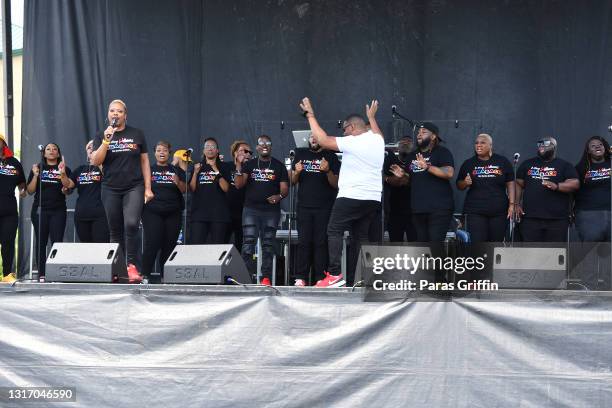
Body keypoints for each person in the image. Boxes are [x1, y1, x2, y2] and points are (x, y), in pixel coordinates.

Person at [300, 97, 384, 287]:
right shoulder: (377, 140)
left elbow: (322, 139)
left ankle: (335, 274)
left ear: (352, 128)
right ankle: (364, 277)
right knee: (361, 236)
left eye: (344, 129)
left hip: (352, 195)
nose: (343, 133)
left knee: (334, 230)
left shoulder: (354, 142)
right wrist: (371, 118)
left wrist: (310, 115)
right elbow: (377, 131)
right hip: (372, 198)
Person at [91, 99, 153, 282]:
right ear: (108, 115)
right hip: (110, 187)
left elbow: (144, 161)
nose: (115, 114)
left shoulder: (137, 134)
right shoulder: (102, 135)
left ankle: (131, 266)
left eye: (119, 111)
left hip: (134, 186)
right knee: (115, 229)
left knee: (132, 224)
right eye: (112, 111)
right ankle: (116, 267)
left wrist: (148, 188)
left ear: (125, 115)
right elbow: (96, 161)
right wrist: (105, 141)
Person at [234, 134, 289, 286]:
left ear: (271, 147)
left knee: (268, 245)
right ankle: (245, 276)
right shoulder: (250, 164)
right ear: (257, 147)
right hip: (251, 210)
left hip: (270, 211)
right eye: (261, 143)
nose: (264, 145)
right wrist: (239, 165)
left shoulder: (278, 166)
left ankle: (265, 278)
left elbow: (285, 189)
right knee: (248, 243)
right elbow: (239, 184)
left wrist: (278, 196)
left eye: (268, 143)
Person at [390, 122, 455, 242]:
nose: (419, 135)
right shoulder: (412, 156)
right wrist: (402, 175)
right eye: (418, 133)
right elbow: (409, 180)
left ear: (433, 136)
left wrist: (428, 167)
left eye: (424, 132)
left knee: (435, 246)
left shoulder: (442, 152)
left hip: (439, 209)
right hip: (418, 209)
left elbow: (449, 173)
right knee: (422, 248)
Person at [291, 134, 340, 286]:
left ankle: (320, 277)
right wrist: (297, 172)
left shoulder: (330, 156)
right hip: (304, 206)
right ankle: (301, 277)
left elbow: (336, 184)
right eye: (311, 137)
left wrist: (327, 171)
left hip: (324, 207)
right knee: (303, 242)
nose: (313, 139)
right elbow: (292, 181)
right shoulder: (300, 154)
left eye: (316, 137)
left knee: (321, 242)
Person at [515, 137, 579, 242]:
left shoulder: (564, 165)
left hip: (557, 219)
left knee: (554, 251)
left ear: (554, 146)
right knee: (531, 251)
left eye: (546, 143)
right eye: (539, 143)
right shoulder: (527, 164)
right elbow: (518, 183)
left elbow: (575, 184)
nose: (542, 145)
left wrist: (557, 186)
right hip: (530, 217)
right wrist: (516, 204)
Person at [456, 134, 515, 242]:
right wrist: (465, 182)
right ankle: (481, 260)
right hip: (475, 211)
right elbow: (459, 185)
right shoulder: (468, 163)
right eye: (476, 143)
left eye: (482, 142)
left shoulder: (502, 161)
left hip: (499, 211)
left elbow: (510, 183)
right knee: (478, 244)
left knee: (495, 243)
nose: (478, 145)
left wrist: (512, 204)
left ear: (490, 145)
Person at [26, 143, 72, 281]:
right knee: (41, 241)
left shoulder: (64, 168)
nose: (51, 151)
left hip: (58, 210)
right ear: (44, 153)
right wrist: (35, 175)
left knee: (57, 242)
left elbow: (68, 189)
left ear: (58, 153)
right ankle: (42, 273)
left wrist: (63, 175)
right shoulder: (38, 168)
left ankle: (56, 272)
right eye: (48, 149)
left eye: (55, 149)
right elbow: (30, 190)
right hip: (40, 210)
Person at [142, 141, 186, 283]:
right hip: (152, 212)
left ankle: (165, 277)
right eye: (159, 150)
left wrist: (178, 182)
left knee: (169, 245)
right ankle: (145, 275)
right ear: (154, 153)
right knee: (152, 243)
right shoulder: (149, 169)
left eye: (165, 150)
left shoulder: (176, 170)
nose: (162, 153)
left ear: (169, 153)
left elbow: (185, 189)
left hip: (173, 212)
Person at [189, 137, 231, 244]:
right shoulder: (198, 167)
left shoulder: (224, 166)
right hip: (199, 214)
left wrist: (216, 170)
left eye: (213, 146)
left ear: (217, 151)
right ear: (203, 151)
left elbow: (226, 188)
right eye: (207, 146)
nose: (210, 149)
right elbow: (192, 188)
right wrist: (195, 173)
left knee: (217, 249)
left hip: (219, 215)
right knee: (196, 247)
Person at [65, 141, 109, 243]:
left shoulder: (107, 168)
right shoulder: (80, 169)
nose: (91, 149)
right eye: (89, 147)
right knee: (86, 248)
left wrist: (99, 161)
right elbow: (68, 184)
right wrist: (63, 174)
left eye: (95, 147)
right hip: (81, 214)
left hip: (101, 215)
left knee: (100, 248)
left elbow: (109, 179)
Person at [574, 135, 611, 242]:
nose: (597, 147)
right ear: (588, 151)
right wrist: (569, 211)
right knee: (590, 250)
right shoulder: (580, 168)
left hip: (610, 211)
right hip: (588, 214)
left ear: (605, 148)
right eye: (593, 146)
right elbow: (572, 192)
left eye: (600, 145)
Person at [0, 134, 26, 282]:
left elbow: (21, 182)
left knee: (8, 241)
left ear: (4, 143)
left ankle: (7, 274)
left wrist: (22, 190)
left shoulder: (14, 162)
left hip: (9, 208)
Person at [384, 136, 417, 242]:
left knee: (416, 245)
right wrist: (390, 179)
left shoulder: (416, 162)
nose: (405, 143)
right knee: (395, 244)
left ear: (413, 146)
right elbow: (384, 177)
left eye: (408, 141)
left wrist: (395, 178)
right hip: (394, 210)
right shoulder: (391, 160)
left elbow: (403, 181)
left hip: (414, 211)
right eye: (403, 141)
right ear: (398, 147)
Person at [225, 140, 252, 251]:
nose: (247, 153)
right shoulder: (226, 166)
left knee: (241, 244)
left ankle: (239, 268)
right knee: (222, 241)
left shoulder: (252, 168)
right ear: (235, 153)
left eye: (249, 152)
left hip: (245, 212)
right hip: (226, 211)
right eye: (243, 151)